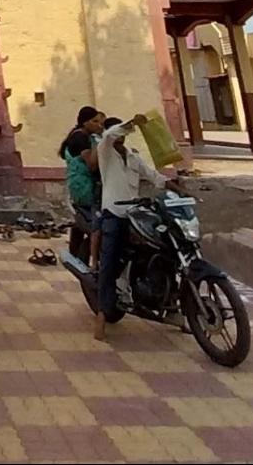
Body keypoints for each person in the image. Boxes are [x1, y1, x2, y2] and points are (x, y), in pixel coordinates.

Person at [94, 113, 168, 341]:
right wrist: (131, 124)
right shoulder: (105, 152)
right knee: (108, 264)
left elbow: (153, 176)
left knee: (160, 248)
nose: (121, 138)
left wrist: (175, 186)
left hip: (135, 216)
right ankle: (101, 314)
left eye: (124, 134)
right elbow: (110, 134)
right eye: (119, 133)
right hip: (114, 215)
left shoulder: (133, 158)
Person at [60, 104, 103, 262]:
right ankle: (95, 264)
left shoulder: (84, 136)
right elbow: (91, 164)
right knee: (96, 222)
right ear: (85, 122)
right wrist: (101, 145)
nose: (98, 125)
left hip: (81, 184)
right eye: (95, 121)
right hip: (83, 186)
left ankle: (76, 250)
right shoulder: (80, 138)